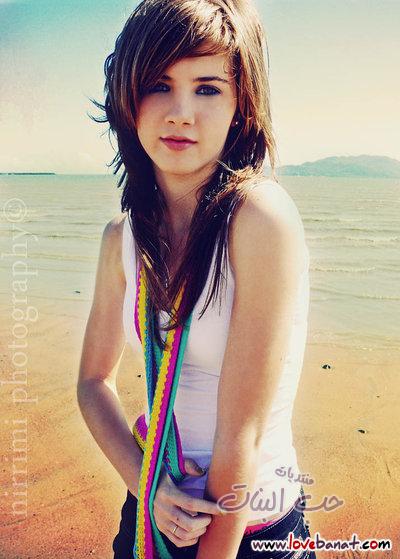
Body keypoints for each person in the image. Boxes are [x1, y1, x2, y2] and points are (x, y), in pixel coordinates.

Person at [77, 0, 316, 557]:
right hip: (152, 511)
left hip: (251, 527)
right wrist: (149, 488)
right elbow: (92, 383)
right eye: (159, 85)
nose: (181, 113)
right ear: (127, 99)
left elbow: (242, 437)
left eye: (208, 88)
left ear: (240, 105)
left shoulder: (259, 219)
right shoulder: (123, 237)